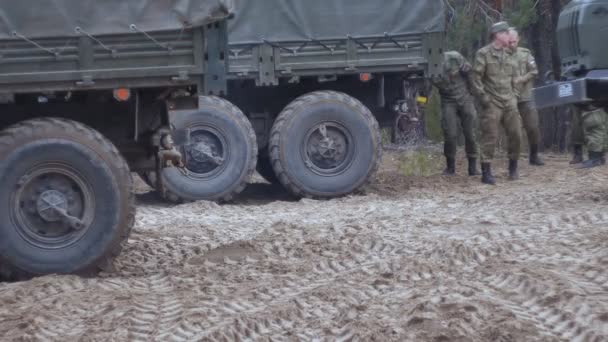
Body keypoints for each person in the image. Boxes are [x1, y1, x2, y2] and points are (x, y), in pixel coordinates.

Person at [472, 21, 522, 185]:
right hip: (492, 102)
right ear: (498, 35)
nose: (510, 36)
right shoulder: (483, 54)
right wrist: (484, 98)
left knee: (516, 134)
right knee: (490, 137)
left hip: (509, 101)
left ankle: (513, 168)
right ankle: (486, 172)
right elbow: (476, 78)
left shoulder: (510, 54)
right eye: (507, 33)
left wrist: (515, 96)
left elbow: (515, 78)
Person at [431, 51, 479, 176]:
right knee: (450, 134)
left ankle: (473, 167)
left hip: (464, 97)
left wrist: (474, 93)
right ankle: (450, 168)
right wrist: (420, 104)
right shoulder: (429, 66)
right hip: (448, 101)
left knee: (470, 133)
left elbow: (469, 74)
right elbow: (424, 89)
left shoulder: (454, 57)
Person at [508, 28, 544, 166]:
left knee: (533, 127)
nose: (512, 44)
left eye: (514, 41)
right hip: (509, 97)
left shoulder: (525, 53)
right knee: (513, 131)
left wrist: (522, 79)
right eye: (509, 42)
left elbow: (534, 71)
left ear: (518, 40)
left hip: (526, 96)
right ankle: (513, 160)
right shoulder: (501, 55)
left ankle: (534, 155)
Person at [571, 103, 608, 168]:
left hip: (594, 100)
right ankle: (580, 155)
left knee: (594, 121)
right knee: (577, 125)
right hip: (579, 99)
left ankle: (595, 158)